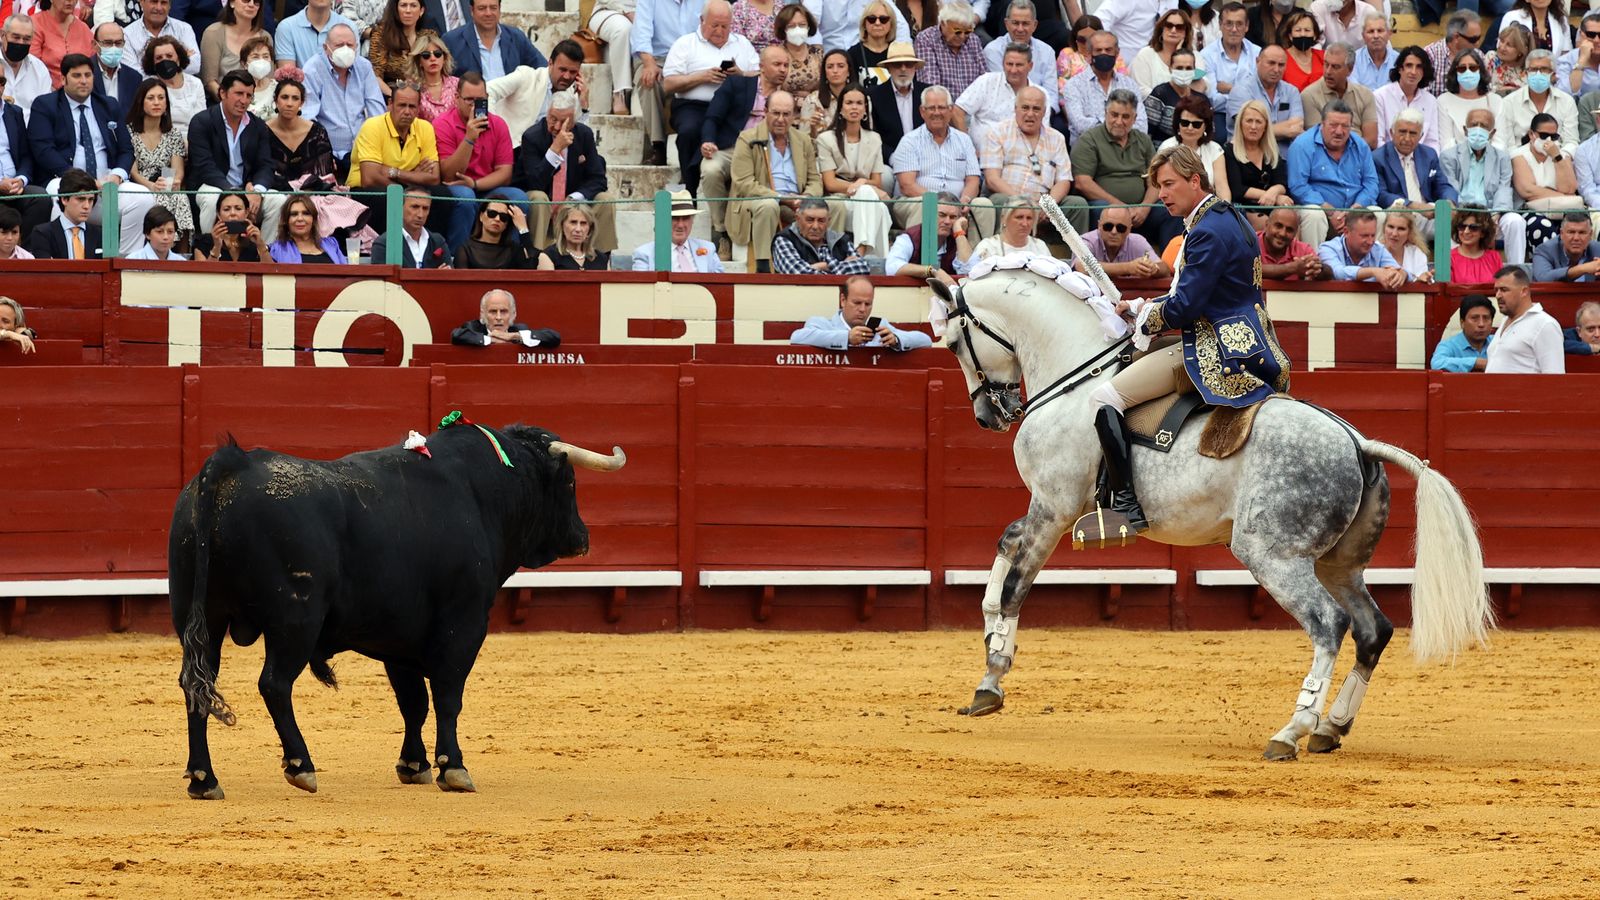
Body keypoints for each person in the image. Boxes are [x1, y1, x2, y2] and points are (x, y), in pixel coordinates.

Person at [1105, 144, 1291, 532]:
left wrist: (1144, 316)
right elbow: (1193, 294)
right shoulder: (1232, 217)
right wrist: (1144, 305)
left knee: (1104, 397)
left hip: (1214, 349)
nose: (1162, 195)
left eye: (1169, 184)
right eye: (1158, 187)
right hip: (1254, 342)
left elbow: (1185, 308)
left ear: (1194, 180)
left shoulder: (1204, 231)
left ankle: (1125, 504)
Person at [29, 54, 155, 255]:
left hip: (107, 184)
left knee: (144, 198)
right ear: (63, 79)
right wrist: (81, 181)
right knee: (55, 191)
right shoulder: (46, 105)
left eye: (88, 75)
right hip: (65, 181)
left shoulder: (108, 105)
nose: (84, 80)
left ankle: (124, 262)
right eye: (77, 75)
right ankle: (64, 259)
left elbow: (126, 149)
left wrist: (117, 176)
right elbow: (43, 150)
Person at [727, 89, 842, 272]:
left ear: (793, 116)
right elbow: (744, 183)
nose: (781, 119)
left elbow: (814, 180)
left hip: (799, 201)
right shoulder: (747, 139)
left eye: (786, 114)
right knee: (768, 205)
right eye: (776, 113)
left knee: (837, 205)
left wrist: (806, 198)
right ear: (765, 112)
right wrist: (781, 197)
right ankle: (763, 266)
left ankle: (833, 259)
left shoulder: (802, 140)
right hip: (763, 199)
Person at [663, 0, 759, 195]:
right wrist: (701, 77)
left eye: (725, 26)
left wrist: (739, 74)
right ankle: (689, 189)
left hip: (732, 107)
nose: (719, 31)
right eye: (714, 25)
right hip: (693, 105)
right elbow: (668, 84)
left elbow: (759, 76)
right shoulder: (685, 43)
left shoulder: (742, 43)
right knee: (689, 131)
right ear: (701, 20)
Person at [700, 45, 790, 253]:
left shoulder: (786, 97)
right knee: (710, 169)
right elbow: (713, 117)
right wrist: (708, 140)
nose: (783, 69)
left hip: (767, 154)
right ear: (761, 67)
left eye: (786, 65)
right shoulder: (738, 84)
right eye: (777, 64)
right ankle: (722, 232)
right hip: (732, 147)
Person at [1072, 88, 1179, 247]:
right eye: (1114, 115)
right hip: (1104, 207)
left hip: (1141, 211)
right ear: (1106, 113)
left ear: (1135, 118)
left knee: (1172, 209)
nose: (1119, 121)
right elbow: (1083, 182)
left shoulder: (1143, 140)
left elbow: (1156, 180)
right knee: (1103, 211)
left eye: (1126, 116)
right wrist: (1121, 208)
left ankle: (1170, 264)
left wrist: (1145, 207)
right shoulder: (1089, 140)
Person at [189, 69, 285, 238]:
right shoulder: (202, 121)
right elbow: (204, 167)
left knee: (278, 200)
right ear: (222, 93)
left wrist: (257, 191)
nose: (244, 100)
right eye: (239, 93)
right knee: (212, 198)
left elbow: (265, 165)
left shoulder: (258, 125)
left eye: (249, 96)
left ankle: (265, 255)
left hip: (247, 189)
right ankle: (209, 250)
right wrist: (236, 194)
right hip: (214, 185)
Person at [435, 69, 523, 249]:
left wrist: (475, 184)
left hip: (484, 186)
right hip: (455, 187)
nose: (475, 106)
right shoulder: (442, 124)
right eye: (469, 100)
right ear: (456, 97)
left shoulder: (498, 124)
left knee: (519, 197)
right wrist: (469, 138)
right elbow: (448, 174)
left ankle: (510, 258)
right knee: (466, 198)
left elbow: (505, 173)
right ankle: (456, 258)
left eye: (480, 101)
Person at [348, 80, 452, 233]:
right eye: (402, 105)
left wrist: (394, 173)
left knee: (442, 195)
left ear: (418, 109)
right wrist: (411, 182)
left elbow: (434, 177)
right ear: (390, 104)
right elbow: (370, 179)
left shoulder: (425, 128)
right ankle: (384, 251)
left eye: (412, 106)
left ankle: (431, 249)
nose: (407, 111)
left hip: (404, 187)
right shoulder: (372, 126)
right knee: (388, 199)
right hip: (366, 191)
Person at [890, 84, 990, 235]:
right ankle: (921, 257)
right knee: (925, 206)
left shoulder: (964, 140)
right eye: (931, 108)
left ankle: (976, 256)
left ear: (950, 111)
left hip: (957, 203)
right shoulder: (909, 141)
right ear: (922, 112)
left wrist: (965, 199)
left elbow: (973, 180)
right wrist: (939, 203)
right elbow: (907, 186)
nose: (937, 113)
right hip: (917, 200)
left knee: (983, 204)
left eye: (942, 108)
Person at [982, 84, 1083, 220]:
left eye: (1036, 109)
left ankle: (1069, 242)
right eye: (1025, 108)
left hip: (1043, 206)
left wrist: (1049, 205)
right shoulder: (997, 132)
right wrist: (1022, 203)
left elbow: (1063, 180)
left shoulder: (1057, 138)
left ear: (1044, 112)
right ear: (1015, 109)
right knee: (999, 200)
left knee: (1077, 204)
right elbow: (992, 179)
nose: (1030, 114)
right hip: (1010, 199)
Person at [1286, 101, 1377, 248]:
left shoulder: (1360, 145)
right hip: (1320, 209)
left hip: (1354, 210)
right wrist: (1330, 211)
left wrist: (1356, 209)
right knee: (1313, 214)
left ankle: (1372, 267)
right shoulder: (1302, 145)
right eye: (1333, 125)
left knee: (1378, 213)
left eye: (1345, 126)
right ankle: (1312, 265)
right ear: (1322, 124)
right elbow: (1298, 186)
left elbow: (1371, 183)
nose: (1339, 131)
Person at [1442, 108, 1526, 263]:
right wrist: (1464, 216)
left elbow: (1504, 188)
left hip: (1492, 213)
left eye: (1484, 126)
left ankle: (1516, 271)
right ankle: (1453, 274)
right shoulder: (1449, 155)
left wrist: (1495, 216)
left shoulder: (1502, 157)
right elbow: (1449, 188)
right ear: (1465, 130)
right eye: (1474, 125)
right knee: (1448, 219)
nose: (1479, 129)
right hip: (1461, 212)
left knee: (1515, 221)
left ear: (1492, 133)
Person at [631, 0, 708, 167]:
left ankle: (700, 145)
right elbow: (641, 34)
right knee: (648, 81)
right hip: (657, 58)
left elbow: (708, 33)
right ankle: (658, 145)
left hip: (690, 60)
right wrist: (649, 63)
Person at [818, 83, 890, 256]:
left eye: (859, 103)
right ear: (841, 108)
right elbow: (830, 183)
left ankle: (862, 251)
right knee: (877, 206)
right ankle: (871, 255)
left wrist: (862, 183)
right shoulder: (826, 139)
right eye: (849, 103)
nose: (854, 107)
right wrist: (861, 186)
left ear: (865, 109)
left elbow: (877, 181)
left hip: (865, 199)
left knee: (877, 205)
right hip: (841, 200)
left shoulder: (874, 138)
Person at [301, 24, 386, 169]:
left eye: (349, 45)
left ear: (356, 47)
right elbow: (308, 118)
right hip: (327, 152)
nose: (345, 49)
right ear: (325, 47)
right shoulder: (312, 69)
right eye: (339, 45)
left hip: (363, 151)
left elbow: (376, 111)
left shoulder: (364, 66)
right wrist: (322, 153)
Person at [125, 77, 193, 244]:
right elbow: (132, 171)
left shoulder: (173, 134)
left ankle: (182, 255)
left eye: (161, 98)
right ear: (141, 102)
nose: (157, 102)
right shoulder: (129, 131)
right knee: (161, 197)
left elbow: (177, 170)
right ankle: (161, 248)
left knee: (179, 197)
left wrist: (174, 182)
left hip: (164, 183)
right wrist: (151, 186)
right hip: (139, 185)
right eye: (151, 98)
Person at [1374, 108, 1456, 239]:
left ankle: (1451, 260)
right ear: (1391, 132)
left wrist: (1449, 202)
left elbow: (1443, 185)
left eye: (1413, 133)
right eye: (1402, 132)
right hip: (1398, 216)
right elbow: (1381, 195)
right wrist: (1414, 206)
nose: (1407, 138)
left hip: (1428, 216)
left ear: (1421, 136)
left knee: (1456, 221)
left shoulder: (1429, 154)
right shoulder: (1378, 157)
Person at [790, 273, 931, 350]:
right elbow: (797, 337)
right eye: (857, 303)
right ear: (843, 300)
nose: (863, 309)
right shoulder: (822, 324)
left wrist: (896, 340)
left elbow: (926, 341)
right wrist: (847, 338)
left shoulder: (881, 326)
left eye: (868, 304)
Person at [1511, 113, 1582, 251]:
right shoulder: (1518, 155)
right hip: (1531, 210)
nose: (1549, 140)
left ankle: (1578, 268)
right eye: (1544, 136)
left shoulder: (1562, 154)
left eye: (1554, 136)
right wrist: (1562, 196)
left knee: (1578, 225)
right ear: (1532, 134)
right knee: (1542, 226)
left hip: (1562, 209)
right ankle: (1550, 268)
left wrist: (1557, 157)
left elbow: (1570, 188)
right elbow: (1527, 190)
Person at [1063, 30, 1145, 144]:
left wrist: (1101, 123)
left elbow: (1141, 125)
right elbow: (1080, 125)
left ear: (1117, 53)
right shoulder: (1074, 85)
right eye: (1098, 50)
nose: (1104, 54)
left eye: (1108, 50)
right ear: (1089, 54)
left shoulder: (1129, 84)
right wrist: (1119, 126)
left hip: (1126, 150)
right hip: (1089, 152)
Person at [954, 40, 1033, 152]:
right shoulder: (986, 82)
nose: (1013, 70)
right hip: (980, 159)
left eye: (1019, 65)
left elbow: (1041, 133)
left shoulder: (1039, 95)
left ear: (1030, 66)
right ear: (1003, 63)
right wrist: (969, 149)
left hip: (1019, 160)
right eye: (1009, 64)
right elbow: (957, 110)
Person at [1225, 98, 1290, 231]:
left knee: (1290, 220)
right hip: (1244, 208)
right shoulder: (1229, 150)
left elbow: (1282, 182)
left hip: (1271, 206)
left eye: (1258, 122)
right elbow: (1237, 189)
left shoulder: (1271, 151)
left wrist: (1274, 192)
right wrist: (1271, 197)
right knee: (1266, 223)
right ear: (1240, 124)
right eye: (1249, 121)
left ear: (1265, 126)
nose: (1253, 127)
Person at [1486, 263, 1563, 372]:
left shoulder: (1545, 324)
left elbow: (1555, 375)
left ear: (1524, 291)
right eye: (1496, 290)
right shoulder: (1504, 321)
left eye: (1504, 290)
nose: (1498, 295)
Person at [1226, 44, 1303, 153]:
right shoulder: (1241, 91)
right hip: (1247, 157)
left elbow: (1296, 127)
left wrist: (1264, 130)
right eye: (1271, 63)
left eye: (1281, 65)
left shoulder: (1292, 91)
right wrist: (1284, 130)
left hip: (1284, 158)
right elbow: (1249, 131)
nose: (1276, 69)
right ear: (1258, 61)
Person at [984, 0, 1058, 113]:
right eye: (1015, 23)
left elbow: (1051, 95)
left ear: (1034, 25)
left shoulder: (1047, 52)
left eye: (1025, 23)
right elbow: (1002, 91)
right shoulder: (993, 50)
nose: (1020, 29)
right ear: (1006, 24)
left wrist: (1041, 115)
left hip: (1041, 112)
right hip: (1005, 111)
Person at [1301, 41, 1378, 148]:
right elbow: (1320, 140)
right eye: (1326, 64)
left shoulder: (1365, 95)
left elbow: (1371, 140)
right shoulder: (1309, 95)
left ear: (1350, 69)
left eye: (1335, 67)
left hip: (1359, 156)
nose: (1328, 71)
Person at [1499, 49, 1578, 155]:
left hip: (1556, 160)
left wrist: (1558, 157)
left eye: (1544, 69)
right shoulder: (1508, 103)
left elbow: (1571, 142)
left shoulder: (1567, 101)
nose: (1538, 74)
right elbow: (1508, 145)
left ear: (1553, 74)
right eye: (1533, 69)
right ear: (1526, 73)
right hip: (1521, 162)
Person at [265, 77, 338, 191]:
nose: (289, 103)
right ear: (275, 100)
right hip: (275, 193)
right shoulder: (263, 131)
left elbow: (325, 174)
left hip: (313, 193)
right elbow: (261, 171)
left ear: (302, 103)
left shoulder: (317, 132)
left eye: (295, 98)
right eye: (284, 97)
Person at [442, 0, 543, 80]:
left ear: (499, 9)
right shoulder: (452, 41)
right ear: (472, 10)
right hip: (474, 104)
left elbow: (542, 68)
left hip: (511, 103)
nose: (488, 13)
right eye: (482, 8)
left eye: (493, 8)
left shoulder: (516, 37)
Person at [769, 195, 868, 274]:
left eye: (821, 221)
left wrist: (823, 266)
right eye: (810, 220)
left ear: (828, 221)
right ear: (797, 219)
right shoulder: (784, 239)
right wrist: (843, 265)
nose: (815, 226)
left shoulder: (841, 239)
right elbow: (800, 275)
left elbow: (863, 268)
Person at [631, 189, 725, 271]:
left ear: (692, 221)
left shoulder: (708, 248)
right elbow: (642, 289)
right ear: (662, 221)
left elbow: (721, 284)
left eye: (685, 218)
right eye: (674, 218)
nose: (680, 225)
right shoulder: (644, 254)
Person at [0, 88, 50, 240]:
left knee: (40, 198)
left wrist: (21, 179)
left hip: (15, 185)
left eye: (1, 81)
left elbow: (26, 155)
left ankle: (26, 255)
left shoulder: (13, 112)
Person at [883, 190, 970, 277]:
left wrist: (959, 232)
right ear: (929, 214)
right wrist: (932, 270)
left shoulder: (957, 238)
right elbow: (892, 268)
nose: (947, 221)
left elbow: (968, 270)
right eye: (942, 215)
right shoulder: (910, 237)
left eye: (953, 217)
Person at [1158, 93, 1228, 201]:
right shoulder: (1167, 147)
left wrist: (1226, 210)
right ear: (1178, 124)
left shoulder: (1215, 149)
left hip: (1207, 206)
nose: (1190, 128)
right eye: (1185, 123)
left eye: (1196, 124)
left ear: (1205, 126)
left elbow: (1222, 188)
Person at [866, 39, 927, 160]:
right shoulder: (874, 96)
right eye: (897, 64)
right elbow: (871, 136)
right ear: (888, 68)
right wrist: (893, 157)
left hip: (926, 157)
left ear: (915, 68)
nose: (903, 69)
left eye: (908, 64)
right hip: (889, 160)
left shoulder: (927, 93)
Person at [25, 167, 103, 258]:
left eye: (91, 200)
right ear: (64, 199)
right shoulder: (43, 233)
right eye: (81, 199)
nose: (87, 206)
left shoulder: (99, 234)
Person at [913, 0, 984, 99]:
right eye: (958, 32)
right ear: (943, 24)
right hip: (942, 107)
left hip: (973, 107)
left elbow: (984, 80)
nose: (963, 36)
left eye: (967, 31)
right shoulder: (926, 39)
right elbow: (931, 85)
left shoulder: (973, 40)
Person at [1373, 46, 1439, 152]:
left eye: (1419, 67)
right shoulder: (1380, 96)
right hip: (1388, 161)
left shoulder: (1431, 101)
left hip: (1420, 162)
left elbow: (1432, 142)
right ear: (1400, 69)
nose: (1413, 72)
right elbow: (1379, 140)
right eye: (1409, 66)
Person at [199, 0, 268, 100]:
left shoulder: (265, 37)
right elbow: (210, 81)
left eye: (256, 2)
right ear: (231, 3)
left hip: (261, 103)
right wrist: (231, 103)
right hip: (224, 102)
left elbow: (269, 80)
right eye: (246, 0)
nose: (251, 4)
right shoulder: (213, 33)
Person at [1316, 208, 1405, 286]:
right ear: (1346, 232)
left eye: (1373, 235)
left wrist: (1401, 274)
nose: (1370, 242)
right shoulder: (1327, 248)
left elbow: (1398, 270)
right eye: (1364, 236)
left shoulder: (1378, 249)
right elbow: (1338, 272)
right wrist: (1373, 272)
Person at [371, 185, 452, 266]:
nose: (420, 215)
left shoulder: (438, 242)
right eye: (415, 207)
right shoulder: (384, 243)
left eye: (425, 208)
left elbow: (450, 275)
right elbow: (380, 278)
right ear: (400, 207)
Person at [450, 288, 560, 347]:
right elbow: (456, 335)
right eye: (493, 312)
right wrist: (491, 340)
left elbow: (554, 337)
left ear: (513, 314)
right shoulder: (473, 328)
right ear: (483, 314)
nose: (498, 317)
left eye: (503, 312)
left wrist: (512, 336)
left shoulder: (519, 330)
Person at [1437, 47, 1501, 150]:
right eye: (1462, 68)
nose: (1468, 72)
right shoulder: (1444, 101)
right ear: (1455, 72)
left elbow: (1500, 142)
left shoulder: (1495, 100)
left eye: (1473, 68)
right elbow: (1446, 144)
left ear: (1480, 70)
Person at [1082, 203, 1168, 277]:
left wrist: (1153, 268)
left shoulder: (1137, 241)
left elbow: (1164, 268)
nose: (1114, 232)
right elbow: (1083, 267)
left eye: (1121, 228)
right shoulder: (1087, 240)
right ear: (1099, 225)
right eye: (1108, 226)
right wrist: (1128, 268)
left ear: (1129, 230)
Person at [123, 0, 199, 77]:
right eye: (154, 2)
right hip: (145, 88)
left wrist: (147, 66)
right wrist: (178, 60)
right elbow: (133, 73)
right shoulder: (127, 34)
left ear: (170, 6)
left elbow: (195, 66)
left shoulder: (184, 29)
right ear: (141, 2)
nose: (159, 8)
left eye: (163, 3)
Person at [29, 0, 95, 90]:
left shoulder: (83, 28)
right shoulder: (35, 24)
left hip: (81, 93)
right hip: (45, 92)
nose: (70, 1)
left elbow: (93, 65)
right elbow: (33, 67)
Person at [451, 197, 534, 267]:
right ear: (481, 216)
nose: (497, 219)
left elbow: (533, 265)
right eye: (492, 213)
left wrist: (523, 228)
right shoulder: (465, 249)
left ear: (506, 224)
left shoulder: (513, 250)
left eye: (503, 217)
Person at [142, 35, 203, 130]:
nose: (164, 60)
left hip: (194, 138)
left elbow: (202, 120)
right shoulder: (149, 85)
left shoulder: (195, 83)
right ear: (153, 63)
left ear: (178, 59)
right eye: (159, 58)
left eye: (169, 56)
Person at [368, 0, 433, 88]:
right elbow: (376, 76)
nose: (408, 10)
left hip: (423, 93)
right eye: (403, 5)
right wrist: (395, 97)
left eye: (413, 6)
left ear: (421, 11)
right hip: (391, 94)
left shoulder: (429, 36)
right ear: (396, 9)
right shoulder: (381, 34)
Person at [1201, 3, 1259, 99]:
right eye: (1229, 24)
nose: (1234, 29)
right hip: (1220, 113)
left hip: (1253, 113)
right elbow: (1213, 99)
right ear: (1220, 25)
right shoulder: (1206, 55)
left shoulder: (1257, 53)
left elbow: (1261, 94)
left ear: (1247, 26)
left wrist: (1230, 88)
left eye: (1239, 24)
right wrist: (1247, 95)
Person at [269, 192, 348, 261]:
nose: (300, 219)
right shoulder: (277, 249)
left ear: (313, 219)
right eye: (294, 214)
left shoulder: (331, 244)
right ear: (286, 221)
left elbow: (346, 273)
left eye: (306, 213)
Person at [1131, 8, 1194, 94]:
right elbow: (1141, 90)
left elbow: (1202, 86)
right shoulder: (1145, 54)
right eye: (1169, 25)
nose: (1173, 30)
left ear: (1185, 32)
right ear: (1161, 29)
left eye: (1179, 27)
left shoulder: (1194, 56)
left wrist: (1179, 56)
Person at [273, 0, 353, 68]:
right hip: (300, 86)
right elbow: (288, 79)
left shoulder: (349, 27)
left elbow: (353, 73)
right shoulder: (286, 28)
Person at [192, 189, 269, 260]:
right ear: (219, 214)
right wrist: (216, 247)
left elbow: (272, 272)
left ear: (246, 212)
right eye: (226, 209)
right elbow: (204, 274)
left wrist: (261, 245)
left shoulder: (253, 245)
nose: (232, 213)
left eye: (238, 208)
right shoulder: (203, 243)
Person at [589, 0, 636, 115]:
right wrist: (627, 11)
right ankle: (619, 93)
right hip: (608, 9)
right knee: (623, 29)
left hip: (646, 13)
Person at [1, 16, 51, 123]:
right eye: (16, 37)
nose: (21, 43)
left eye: (26, 39)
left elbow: (46, 110)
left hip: (31, 133)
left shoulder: (39, 69)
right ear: (2, 35)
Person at [1422, 10, 1482, 95]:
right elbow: (1422, 94)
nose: (1477, 44)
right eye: (1473, 39)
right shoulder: (1430, 54)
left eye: (1479, 38)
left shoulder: (1479, 55)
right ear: (1456, 37)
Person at [1430, 293, 1495, 371]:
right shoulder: (1449, 345)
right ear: (1462, 323)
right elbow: (1437, 363)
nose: (1481, 324)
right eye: (1474, 318)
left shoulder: (1498, 342)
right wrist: (1475, 362)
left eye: (1486, 318)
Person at [535, 201, 609, 270]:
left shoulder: (601, 258)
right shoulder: (548, 256)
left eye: (583, 223)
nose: (578, 229)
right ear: (562, 226)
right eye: (573, 222)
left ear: (590, 229)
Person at [1258, 207, 1327, 279]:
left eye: (1289, 230)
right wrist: (1292, 268)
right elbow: (1249, 270)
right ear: (1266, 225)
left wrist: (1316, 268)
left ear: (1295, 233)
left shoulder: (1303, 249)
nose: (1283, 233)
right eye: (1278, 226)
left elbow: (1326, 272)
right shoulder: (1250, 243)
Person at [1531, 210, 1600, 280]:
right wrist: (1583, 268)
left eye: (1582, 233)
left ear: (1590, 235)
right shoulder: (1544, 251)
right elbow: (1543, 278)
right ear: (1561, 234)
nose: (1576, 238)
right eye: (1571, 232)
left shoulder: (1597, 249)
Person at [91, 22, 142, 118]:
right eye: (108, 43)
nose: (114, 48)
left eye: (118, 43)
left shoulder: (134, 77)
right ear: (95, 44)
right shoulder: (84, 73)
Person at [971, 197, 1046, 259]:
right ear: (1004, 219)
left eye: (1029, 218)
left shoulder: (1040, 246)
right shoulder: (988, 247)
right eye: (1019, 217)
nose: (1024, 224)